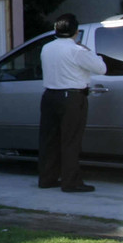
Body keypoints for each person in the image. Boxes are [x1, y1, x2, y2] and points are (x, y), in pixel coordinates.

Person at [38, 13, 106, 192]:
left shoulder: (47, 48)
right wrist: (89, 51)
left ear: (56, 30)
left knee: (49, 140)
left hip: (49, 96)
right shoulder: (77, 50)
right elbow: (101, 68)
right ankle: (71, 182)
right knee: (71, 140)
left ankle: (47, 179)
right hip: (72, 97)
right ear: (76, 31)